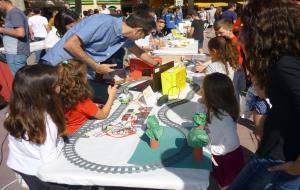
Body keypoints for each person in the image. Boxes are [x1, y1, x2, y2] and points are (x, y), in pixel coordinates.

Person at [230, 0, 300, 189]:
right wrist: (247, 49)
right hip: (281, 150)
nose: (241, 31)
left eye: (246, 26)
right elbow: (262, 91)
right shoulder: (282, 57)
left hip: (278, 156)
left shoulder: (286, 65)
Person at [42, 10, 159, 78]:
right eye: (144, 35)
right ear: (138, 30)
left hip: (75, 73)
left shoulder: (125, 37)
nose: (143, 38)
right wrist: (96, 66)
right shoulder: (102, 22)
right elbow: (70, 45)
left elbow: (139, 52)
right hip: (55, 69)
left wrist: (158, 66)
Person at [4, 64, 65, 189]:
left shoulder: (12, 113)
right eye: (56, 84)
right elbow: (49, 159)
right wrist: (63, 147)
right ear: (44, 92)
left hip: (22, 167)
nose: (60, 86)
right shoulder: (47, 121)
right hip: (45, 173)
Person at [200, 72, 244, 189]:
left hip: (227, 158)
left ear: (212, 95)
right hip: (222, 155)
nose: (201, 90)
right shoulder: (217, 109)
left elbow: (232, 143)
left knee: (226, 184)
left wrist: (212, 150)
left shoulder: (223, 117)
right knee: (223, 181)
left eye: (203, 89)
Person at [57, 60, 118, 135]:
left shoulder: (59, 96)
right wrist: (111, 96)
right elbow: (103, 115)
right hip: (79, 133)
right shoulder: (82, 100)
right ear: (80, 80)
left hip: (67, 131)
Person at [0, 0, 30, 75]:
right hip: (15, 53)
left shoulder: (14, 13)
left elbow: (20, 33)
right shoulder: (12, 13)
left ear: (2, 1)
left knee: (20, 82)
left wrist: (2, 29)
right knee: (23, 79)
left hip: (16, 53)